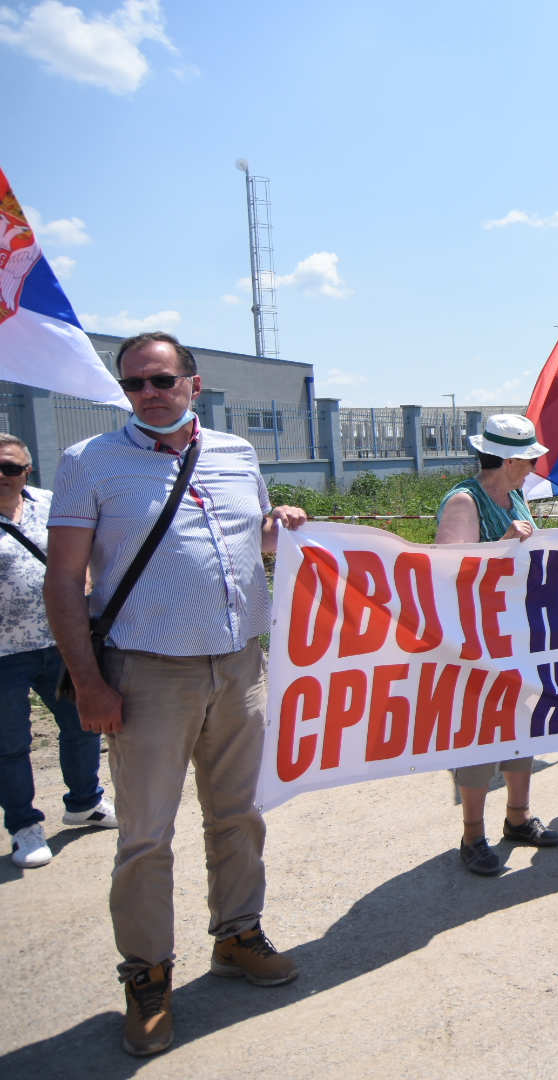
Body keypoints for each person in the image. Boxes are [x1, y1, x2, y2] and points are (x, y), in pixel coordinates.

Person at [43, 331, 307, 1057]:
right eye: (133, 385)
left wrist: (279, 530)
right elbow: (65, 581)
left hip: (238, 666)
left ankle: (238, 936)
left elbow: (251, 546)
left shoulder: (236, 454)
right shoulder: (88, 463)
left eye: (160, 380)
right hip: (147, 674)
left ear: (193, 383)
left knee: (239, 816)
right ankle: (148, 975)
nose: (147, 395)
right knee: (144, 838)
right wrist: (90, 683)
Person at [436, 415, 558, 874]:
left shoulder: (513, 496)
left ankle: (518, 817)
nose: (532, 468)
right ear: (508, 460)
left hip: (516, 636)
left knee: (520, 728)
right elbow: (449, 573)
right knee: (479, 737)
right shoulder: (464, 502)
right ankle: (472, 835)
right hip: (478, 644)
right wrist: (507, 542)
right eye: (528, 460)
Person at [2, 433, 117, 870]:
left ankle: (84, 801)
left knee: (83, 725)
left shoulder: (51, 502)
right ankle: (24, 826)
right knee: (10, 744)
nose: (2, 476)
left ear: (26, 470)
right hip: (3, 653)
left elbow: (81, 546)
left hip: (62, 641)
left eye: (10, 467)